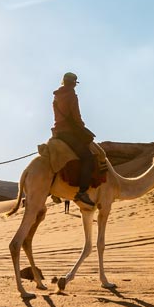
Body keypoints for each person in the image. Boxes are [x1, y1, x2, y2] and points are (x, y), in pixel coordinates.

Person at [51, 72, 97, 208]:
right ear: (72, 84)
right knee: (88, 158)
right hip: (68, 133)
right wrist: (83, 129)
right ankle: (82, 192)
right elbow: (76, 117)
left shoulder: (56, 97)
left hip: (57, 133)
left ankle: (55, 189)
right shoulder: (71, 96)